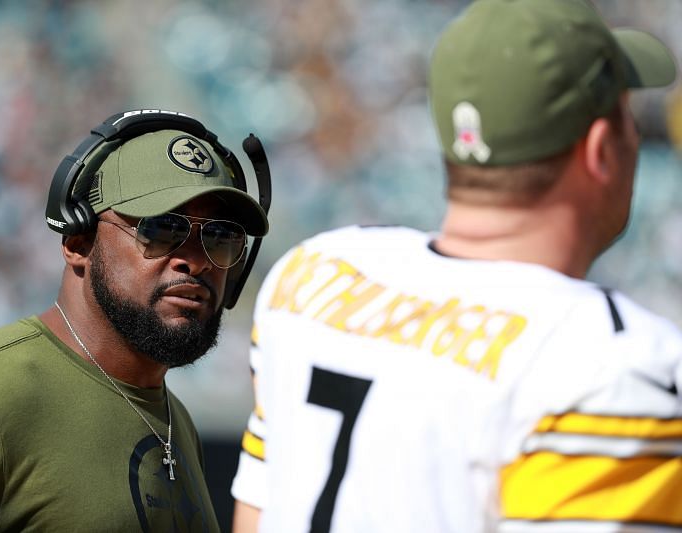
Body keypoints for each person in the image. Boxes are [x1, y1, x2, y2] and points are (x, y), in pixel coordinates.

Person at [230, 1, 682, 532]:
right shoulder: (611, 362)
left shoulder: (315, 272)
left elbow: (256, 518)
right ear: (601, 150)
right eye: (627, 116)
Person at [0, 109, 270, 532]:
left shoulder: (174, 419)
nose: (194, 262)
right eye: (161, 229)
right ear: (77, 242)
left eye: (220, 237)